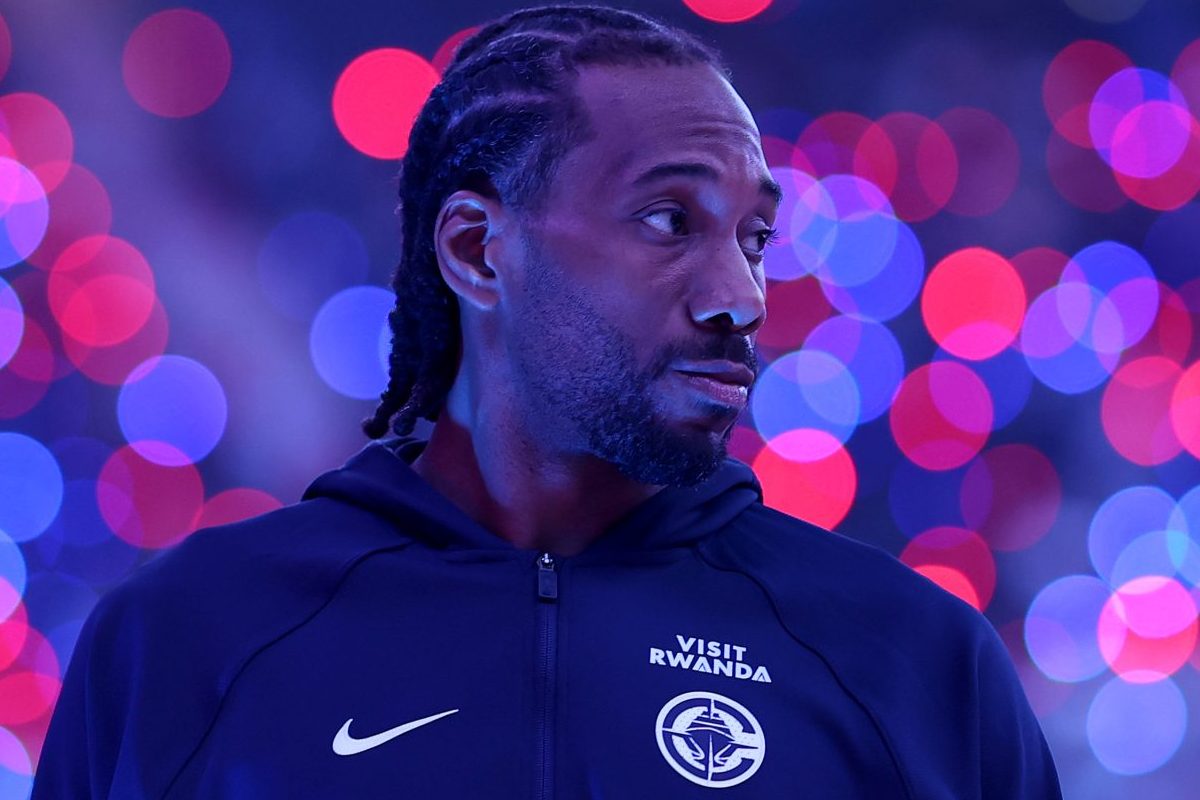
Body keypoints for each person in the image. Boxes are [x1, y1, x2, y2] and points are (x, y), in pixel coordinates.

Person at [33, 3, 1063, 797]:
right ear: (478, 251)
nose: (742, 296)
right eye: (670, 220)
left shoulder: (911, 662)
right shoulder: (191, 638)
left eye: (754, 236)